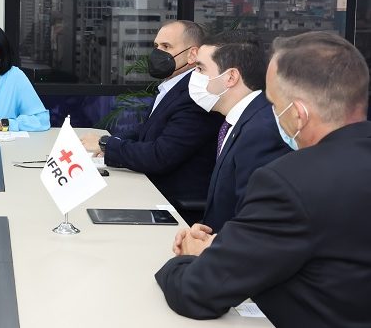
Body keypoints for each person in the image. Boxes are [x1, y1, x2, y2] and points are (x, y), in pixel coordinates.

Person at [156, 31, 371, 327]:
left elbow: (198, 291)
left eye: (273, 103)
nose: (270, 115)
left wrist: (190, 258)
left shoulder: (290, 182)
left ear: (298, 114)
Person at [81, 20, 223, 224]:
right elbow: (146, 133)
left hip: (173, 207)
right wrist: (109, 142)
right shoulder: (173, 87)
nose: (157, 53)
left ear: (192, 54)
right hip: (150, 189)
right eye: (156, 46)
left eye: (166, 47)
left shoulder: (195, 95)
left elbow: (160, 155)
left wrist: (106, 144)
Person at [185, 31, 289, 232]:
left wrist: (211, 245)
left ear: (231, 77)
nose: (194, 76)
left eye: (200, 68)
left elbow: (254, 219)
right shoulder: (241, 120)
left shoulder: (261, 131)